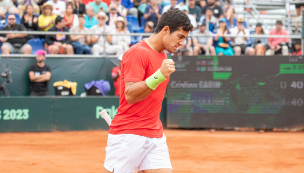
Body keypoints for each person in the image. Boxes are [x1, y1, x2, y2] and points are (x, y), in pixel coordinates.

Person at [102, 7, 193, 173]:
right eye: (180, 37)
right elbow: (130, 95)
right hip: (128, 135)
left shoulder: (163, 57)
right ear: (166, 30)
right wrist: (158, 76)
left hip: (154, 134)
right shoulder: (137, 53)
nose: (182, 43)